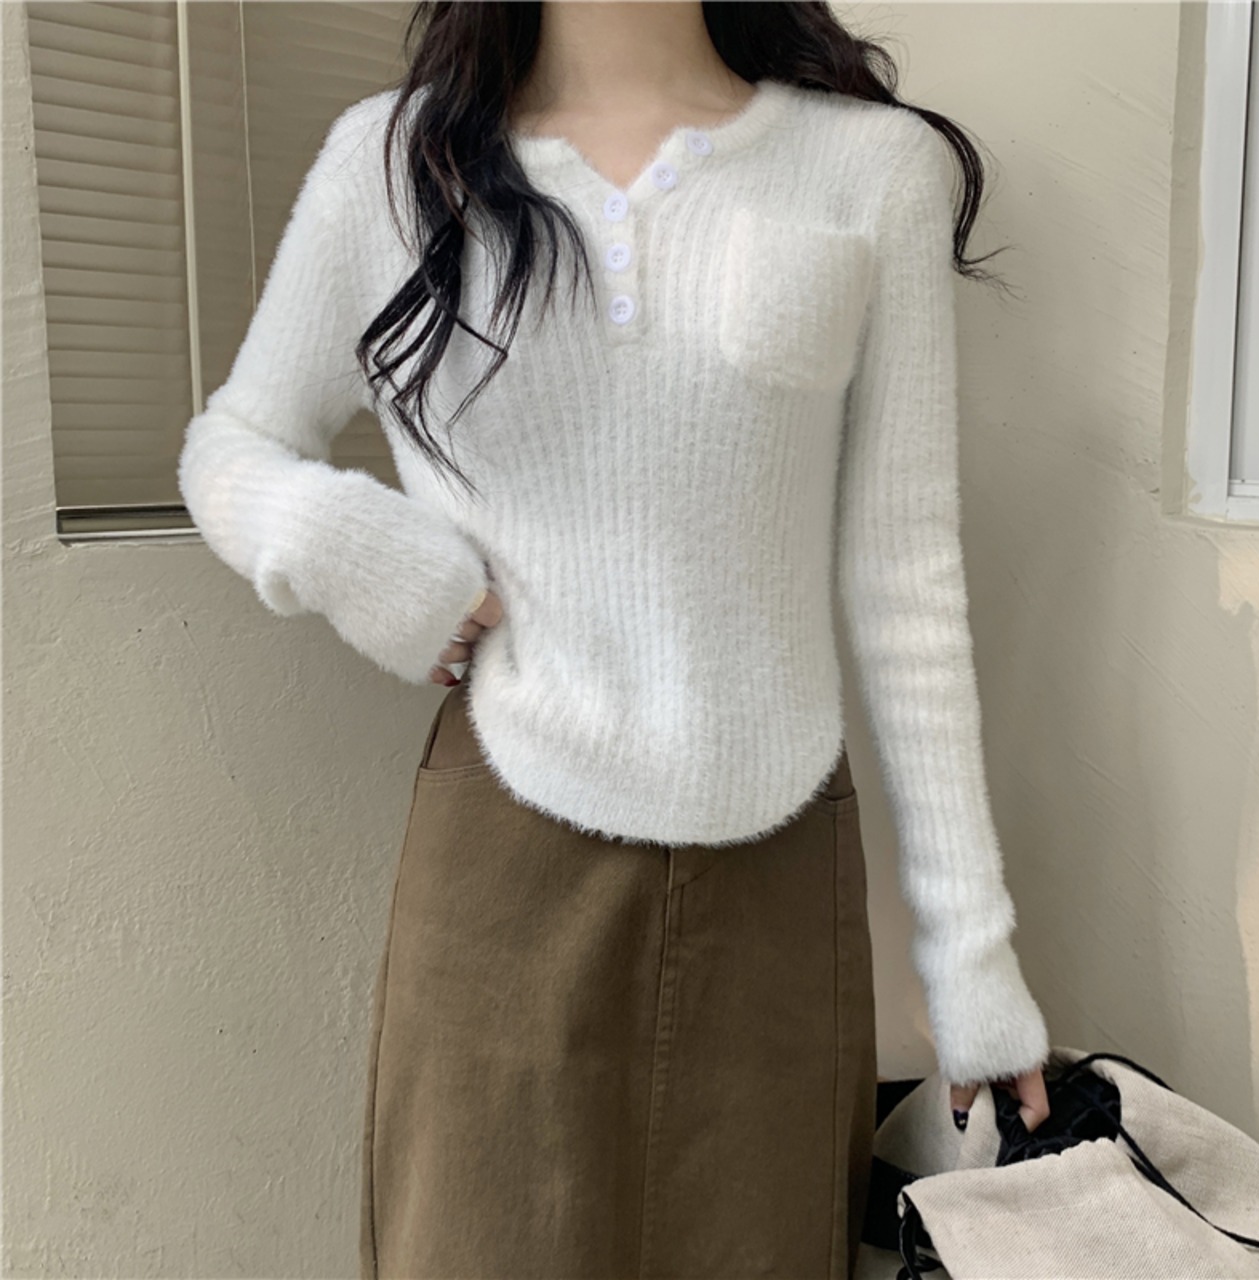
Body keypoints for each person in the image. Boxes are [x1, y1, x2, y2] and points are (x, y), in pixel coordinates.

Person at [177, 2, 1053, 1276]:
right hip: (502, 844)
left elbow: (903, 575)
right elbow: (233, 446)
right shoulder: (392, 164)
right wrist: (365, 555)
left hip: (776, 862)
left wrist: (970, 957)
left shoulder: (870, 168)